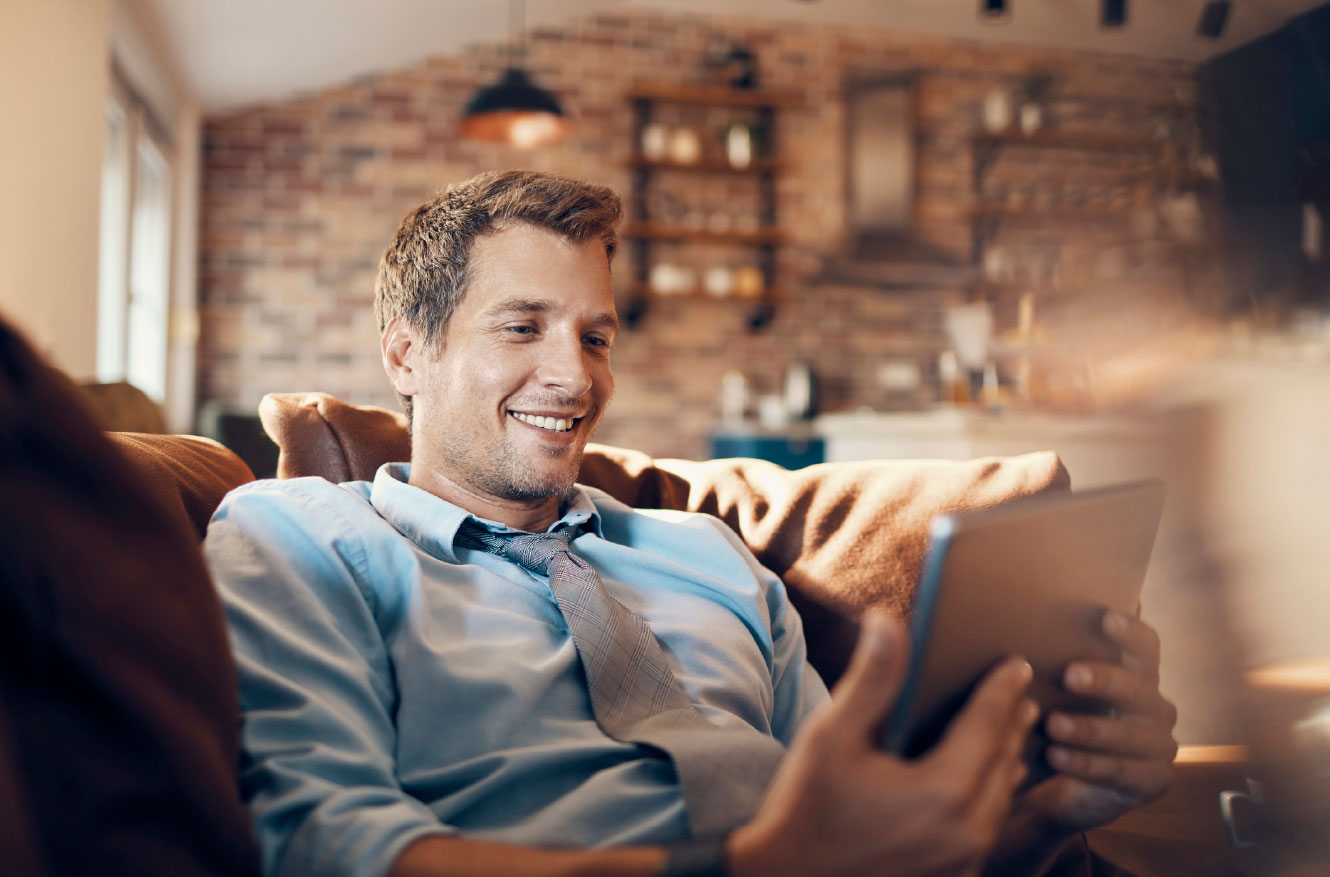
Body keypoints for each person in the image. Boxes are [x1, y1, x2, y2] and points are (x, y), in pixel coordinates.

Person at [205, 170, 1177, 877]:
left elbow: (868, 844)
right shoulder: (297, 535)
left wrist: (1052, 812)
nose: (574, 375)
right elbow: (324, 845)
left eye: (595, 336)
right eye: (521, 327)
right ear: (405, 355)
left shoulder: (706, 553)